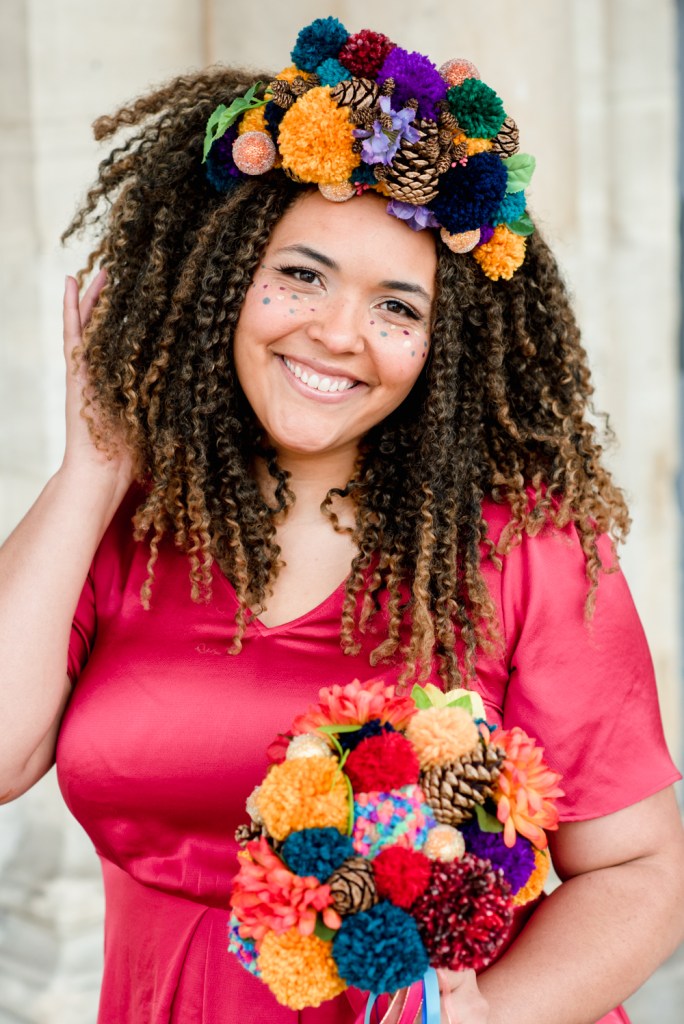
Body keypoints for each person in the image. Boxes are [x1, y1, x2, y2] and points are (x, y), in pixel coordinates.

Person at [0, 16, 682, 1024]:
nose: (337, 333)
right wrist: (93, 467)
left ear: (441, 348)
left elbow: (642, 868)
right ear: (227, 283)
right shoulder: (124, 525)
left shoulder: (523, 545)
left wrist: (488, 1013)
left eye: (397, 308)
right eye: (302, 275)